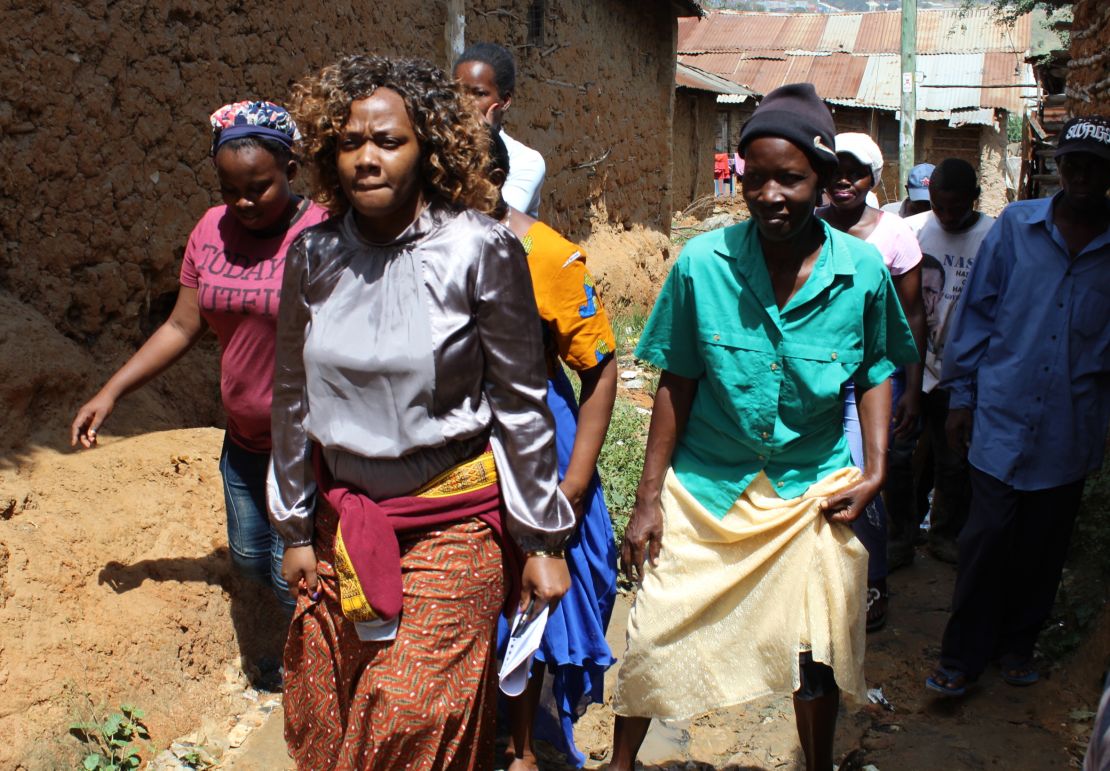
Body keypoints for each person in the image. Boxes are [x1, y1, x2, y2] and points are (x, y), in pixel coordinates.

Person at [270, 55, 574, 769]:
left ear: (430, 147)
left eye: (388, 141)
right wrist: (293, 526)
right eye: (350, 143)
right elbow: (291, 397)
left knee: (408, 714)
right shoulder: (312, 255)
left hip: (452, 519)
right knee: (328, 716)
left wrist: (542, 541)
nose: (366, 160)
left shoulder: (480, 248)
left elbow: (522, 403)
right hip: (340, 522)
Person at [609, 83, 917, 771]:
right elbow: (677, 381)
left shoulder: (861, 273)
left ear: (824, 179)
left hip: (809, 486)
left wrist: (875, 469)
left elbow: (873, 369)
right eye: (758, 177)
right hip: (706, 485)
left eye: (792, 179)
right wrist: (649, 499)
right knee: (655, 632)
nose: (772, 194)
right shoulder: (702, 265)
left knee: (817, 648)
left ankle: (816, 763)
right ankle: (620, 763)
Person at [70, 101, 327, 614]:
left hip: (308, 444)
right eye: (230, 190)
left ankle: (304, 683)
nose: (244, 203)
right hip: (244, 438)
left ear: (291, 171)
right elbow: (182, 325)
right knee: (250, 557)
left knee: (291, 578)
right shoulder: (211, 230)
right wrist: (110, 392)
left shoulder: (322, 235)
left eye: (259, 188)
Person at [926, 116, 1110, 698]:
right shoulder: (1016, 230)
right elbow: (977, 316)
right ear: (1059, 164)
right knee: (984, 543)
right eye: (1073, 162)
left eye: (1095, 166)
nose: (1081, 174)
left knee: (1042, 548)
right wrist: (961, 399)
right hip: (1000, 419)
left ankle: (1018, 647)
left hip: (1069, 428)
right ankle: (959, 659)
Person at [486, 129, 618, 770]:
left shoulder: (548, 256)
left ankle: (522, 747)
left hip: (535, 432)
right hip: (452, 437)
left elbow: (599, 369)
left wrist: (572, 483)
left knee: (531, 594)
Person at [818, 132, 926, 631]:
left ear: (872, 179)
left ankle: (874, 579)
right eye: (835, 169)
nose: (844, 180)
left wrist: (914, 386)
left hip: (869, 382)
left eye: (855, 172)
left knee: (864, 481)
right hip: (815, 378)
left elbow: (912, 314)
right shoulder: (808, 227)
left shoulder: (895, 235)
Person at [885, 159, 995, 569]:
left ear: (974, 200)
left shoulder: (993, 237)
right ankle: (901, 534)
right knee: (897, 452)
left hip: (962, 369)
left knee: (954, 458)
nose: (948, 217)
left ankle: (944, 535)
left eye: (957, 208)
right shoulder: (914, 231)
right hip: (910, 363)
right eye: (940, 206)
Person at [454, 42, 545, 218]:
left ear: (505, 101)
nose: (465, 103)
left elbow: (495, 218)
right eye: (458, 92)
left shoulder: (527, 161)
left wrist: (484, 140)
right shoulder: (440, 150)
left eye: (479, 94)